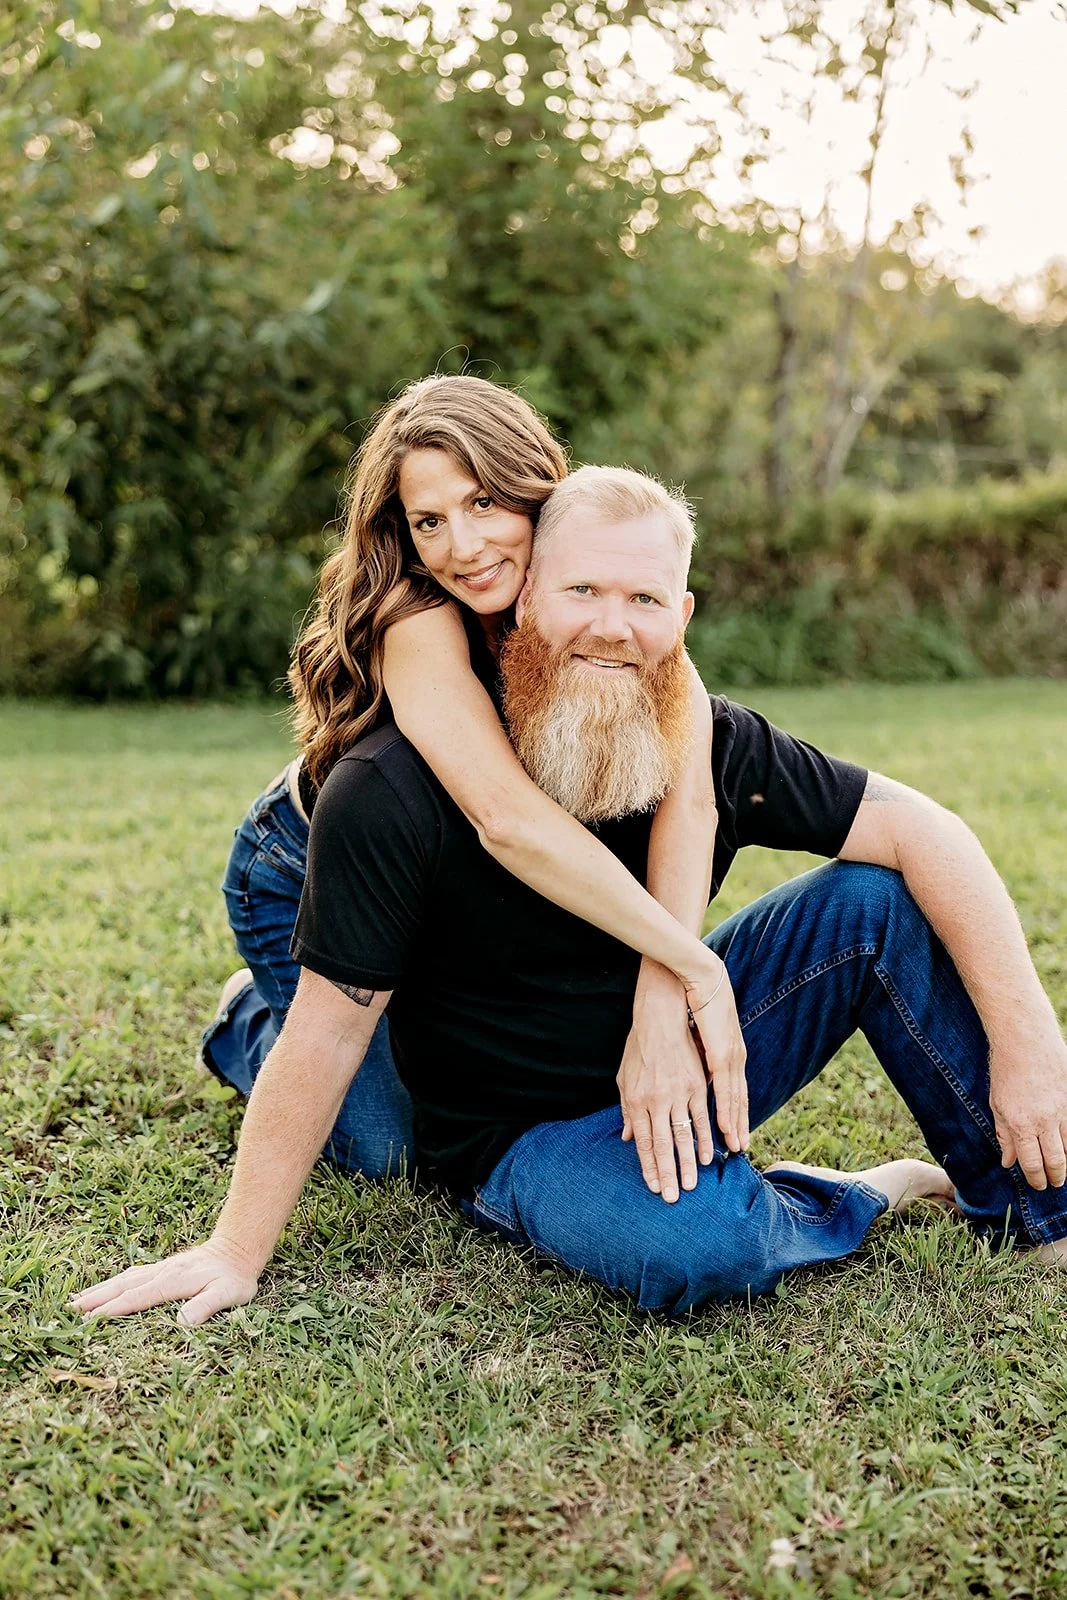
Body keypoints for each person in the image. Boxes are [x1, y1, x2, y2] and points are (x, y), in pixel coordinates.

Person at [71, 466, 1067, 1328]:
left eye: (642, 599)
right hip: (513, 1128)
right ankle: (249, 1026)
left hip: (668, 1062)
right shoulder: (397, 785)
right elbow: (331, 1028)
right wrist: (235, 1253)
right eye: (581, 588)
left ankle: (1032, 1214)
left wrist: (1026, 1039)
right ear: (521, 599)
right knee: (678, 1244)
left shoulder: (703, 734)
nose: (608, 625)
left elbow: (921, 828)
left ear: (680, 618)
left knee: (870, 900)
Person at [201, 373, 746, 1201]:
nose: (460, 546)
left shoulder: (594, 576)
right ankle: (247, 1025)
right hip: (299, 864)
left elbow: (688, 791)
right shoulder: (413, 617)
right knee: (387, 1149)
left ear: (536, 487)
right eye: (429, 521)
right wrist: (688, 964)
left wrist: (660, 986)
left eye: (484, 502)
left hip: (430, 885)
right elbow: (503, 815)